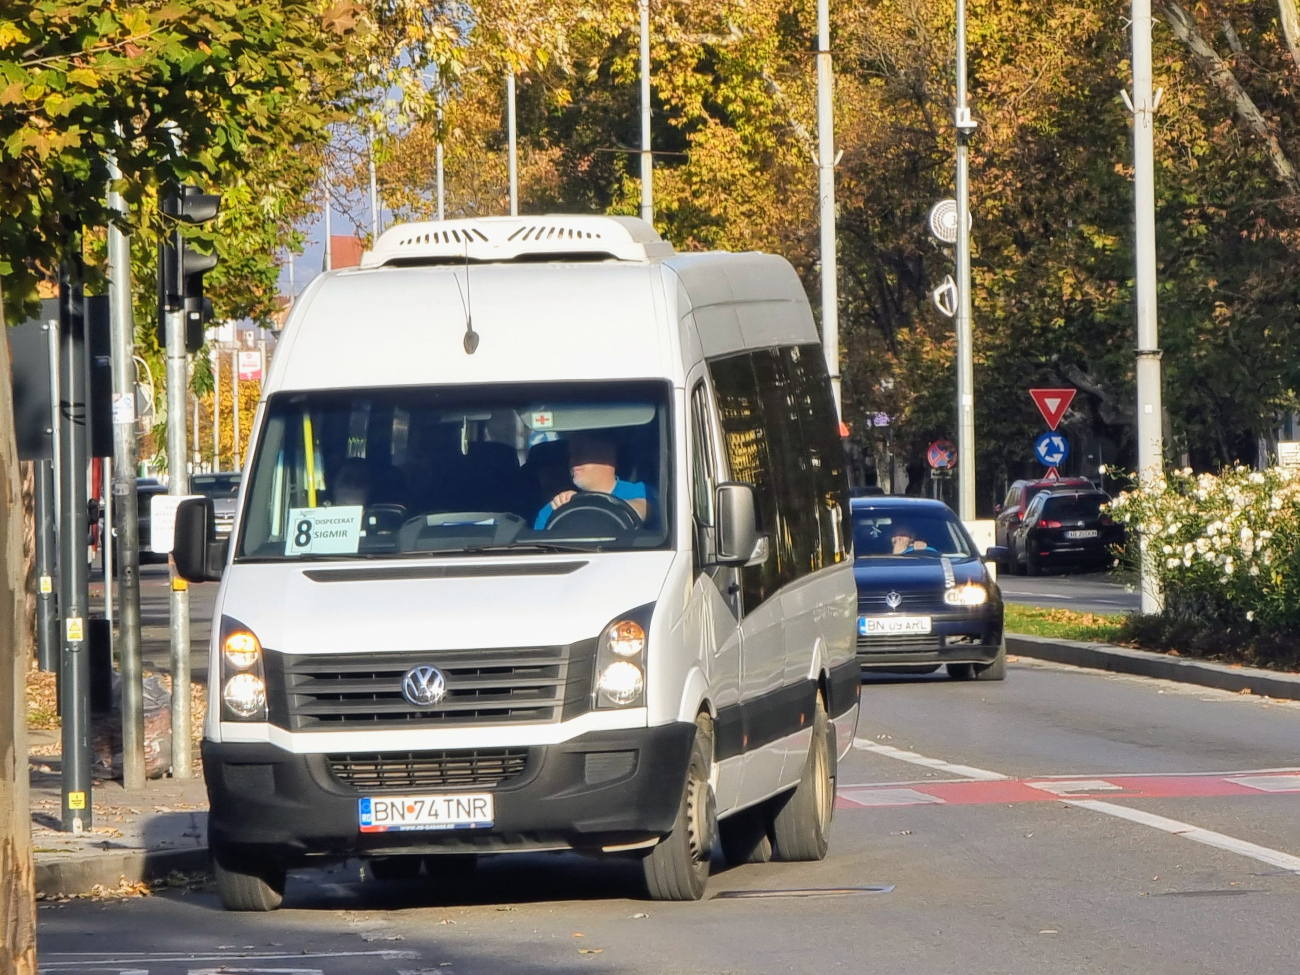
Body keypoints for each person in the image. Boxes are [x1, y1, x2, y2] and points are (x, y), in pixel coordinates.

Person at [534, 433, 651, 529]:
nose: (573, 460)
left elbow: (644, 509)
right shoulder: (553, 508)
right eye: (571, 454)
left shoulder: (641, 491)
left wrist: (582, 504)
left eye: (581, 452)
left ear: (608, 454)